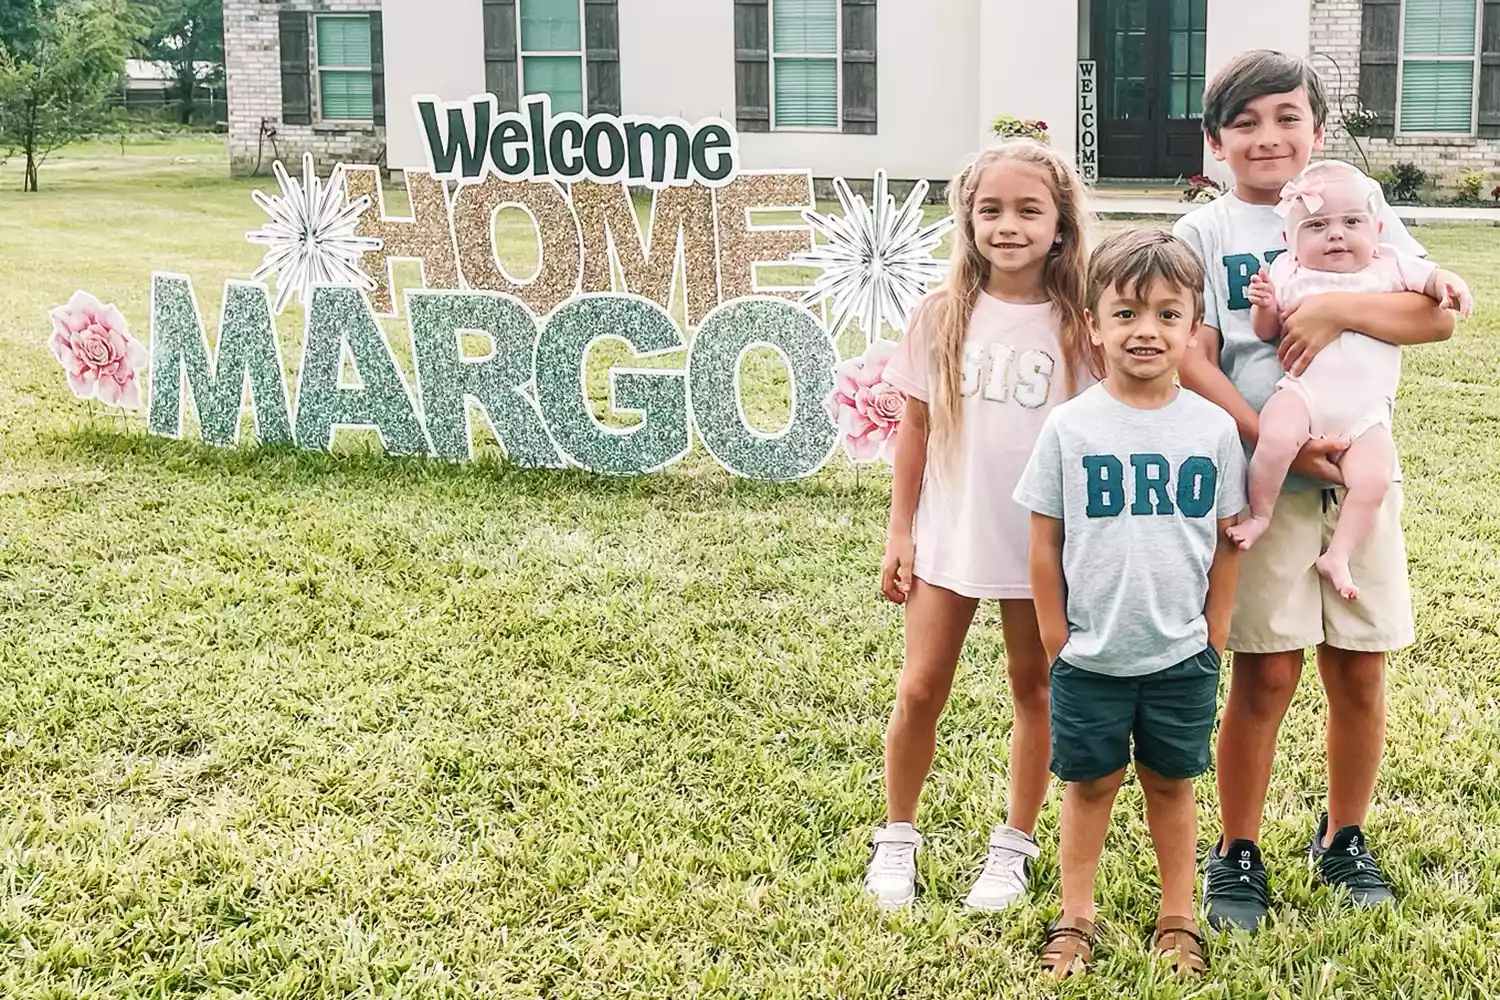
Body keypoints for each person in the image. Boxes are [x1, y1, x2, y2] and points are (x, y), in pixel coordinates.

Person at [1172, 50, 1457, 932]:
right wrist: (1278, 447)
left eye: (1287, 117)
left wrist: (1336, 310)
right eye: (1246, 123)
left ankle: (1344, 836)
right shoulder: (1206, 234)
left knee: (1361, 672)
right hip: (1269, 474)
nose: (1269, 137)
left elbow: (1435, 314)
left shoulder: (1363, 214)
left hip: (1364, 470)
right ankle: (1237, 849)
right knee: (1265, 674)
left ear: (1317, 129)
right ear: (1216, 142)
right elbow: (1191, 354)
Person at [863, 139, 1103, 911]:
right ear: (967, 220)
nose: (1008, 225)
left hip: (1043, 549)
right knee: (921, 688)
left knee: (1035, 688)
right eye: (989, 209)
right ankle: (897, 835)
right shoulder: (942, 314)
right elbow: (916, 430)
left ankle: (1014, 847)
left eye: (1029, 210)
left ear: (1060, 224)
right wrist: (900, 532)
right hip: (949, 540)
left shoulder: (1081, 324)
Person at [1016, 229, 1245, 978]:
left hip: (1182, 654)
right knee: (1089, 784)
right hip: (1089, 653)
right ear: (1094, 325)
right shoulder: (1070, 427)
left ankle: (1177, 914)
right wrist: (1056, 640)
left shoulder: (1211, 430)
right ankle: (1076, 915)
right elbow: (1045, 541)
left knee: (1171, 783)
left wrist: (1213, 631)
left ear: (1192, 325)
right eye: (1125, 314)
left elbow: (1227, 540)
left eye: (1167, 315)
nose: (1146, 331)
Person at [1231, 159, 1474, 601]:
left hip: (1366, 412)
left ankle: (1339, 553)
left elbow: (1432, 281)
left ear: (1377, 228)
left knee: (1374, 478)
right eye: (1317, 225)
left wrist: (1448, 281)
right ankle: (1261, 514)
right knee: (1275, 436)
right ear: (1290, 239)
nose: (1336, 234)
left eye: (1351, 222)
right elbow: (1267, 332)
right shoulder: (1289, 271)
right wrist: (1264, 304)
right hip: (1302, 393)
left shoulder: (1389, 265)